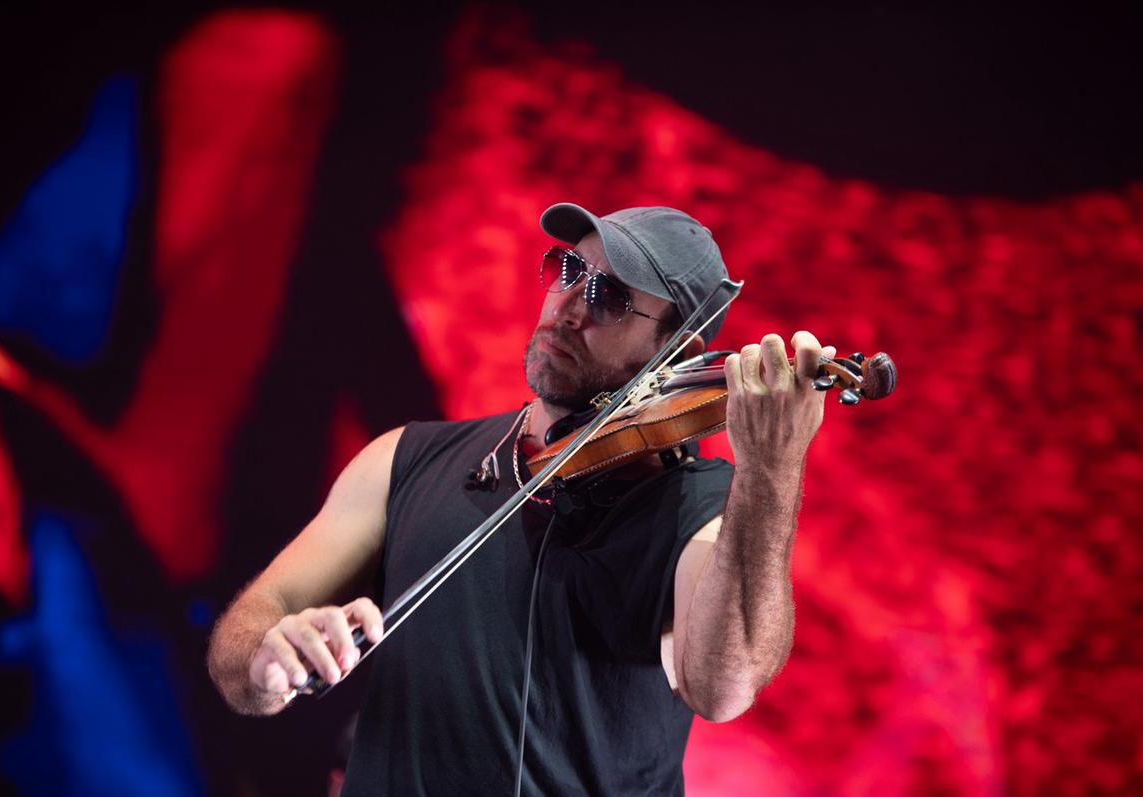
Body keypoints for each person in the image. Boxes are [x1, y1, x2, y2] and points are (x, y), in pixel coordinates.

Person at [207, 203, 836, 795]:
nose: (567, 306)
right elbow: (251, 629)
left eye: (610, 298)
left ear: (676, 354)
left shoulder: (703, 512)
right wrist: (267, 658)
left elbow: (722, 688)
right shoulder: (405, 456)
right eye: (569, 270)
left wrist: (772, 469)